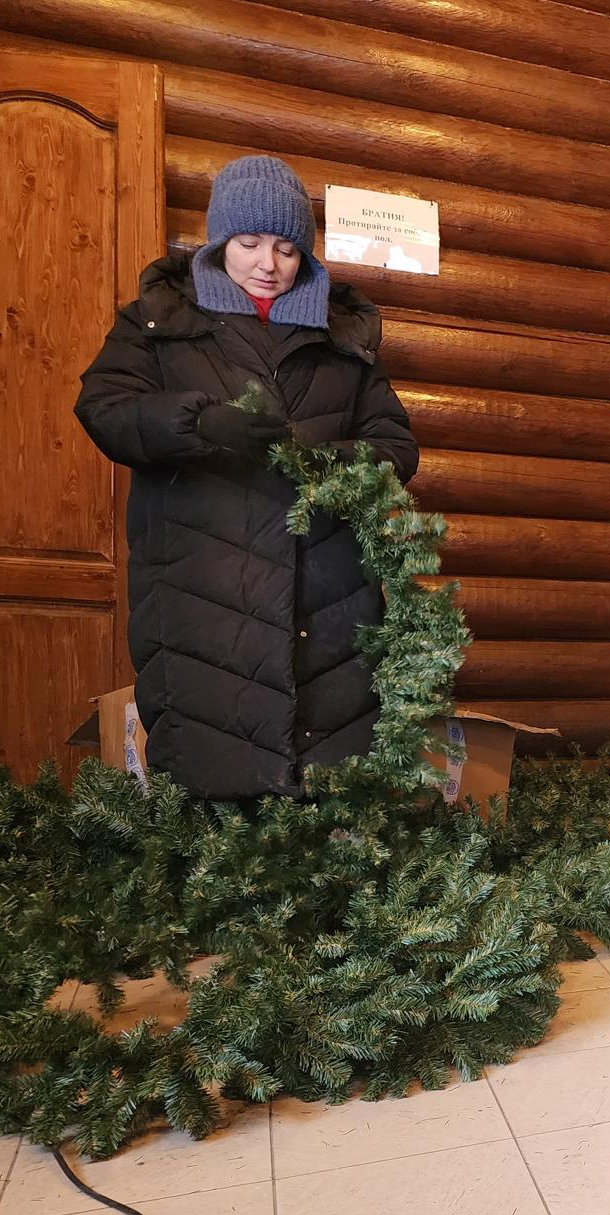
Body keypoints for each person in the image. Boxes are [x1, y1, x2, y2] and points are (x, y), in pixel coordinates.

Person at [75, 155, 418, 801]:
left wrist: (328, 461)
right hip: (201, 580)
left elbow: (394, 446)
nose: (268, 263)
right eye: (250, 243)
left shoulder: (344, 339)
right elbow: (106, 411)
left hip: (328, 587)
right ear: (219, 241)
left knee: (330, 766)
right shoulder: (157, 322)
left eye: (287, 248)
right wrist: (199, 425)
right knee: (211, 754)